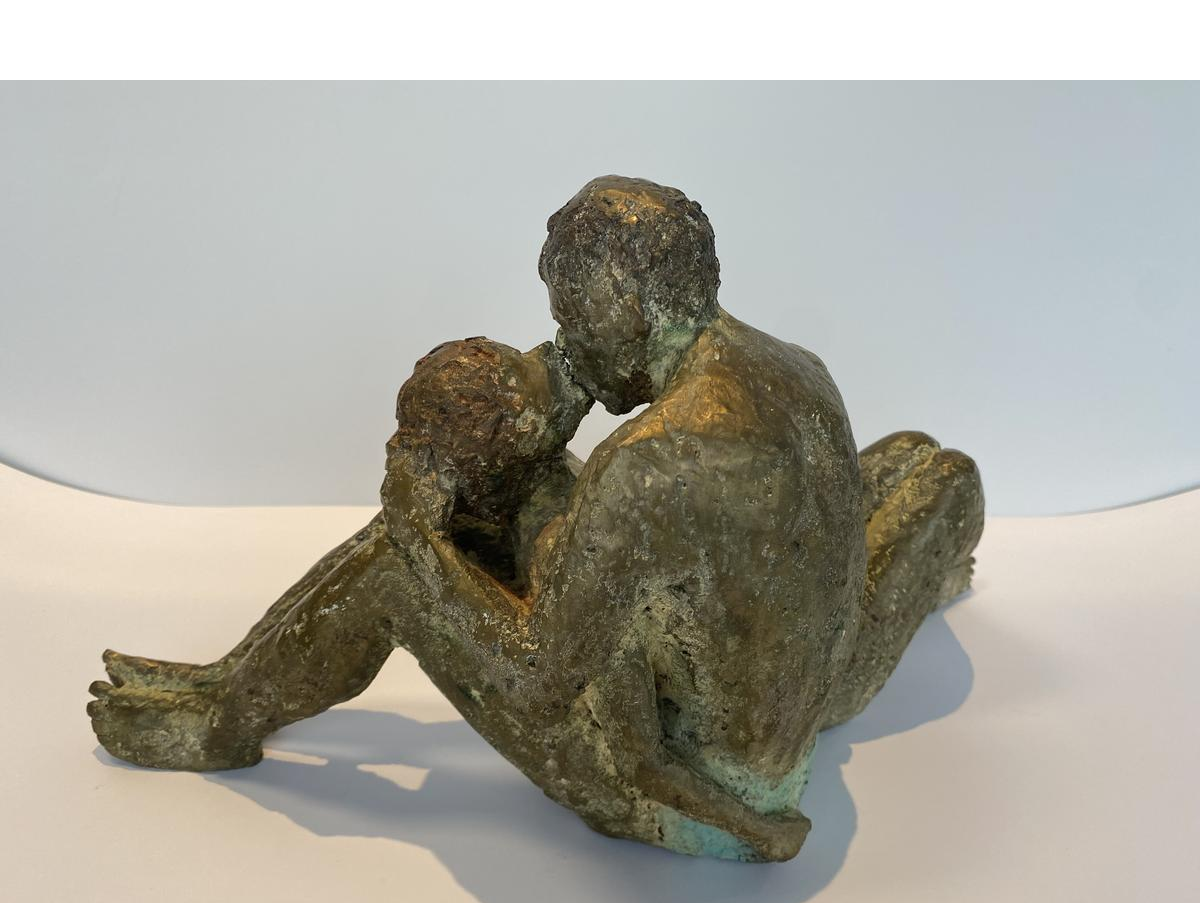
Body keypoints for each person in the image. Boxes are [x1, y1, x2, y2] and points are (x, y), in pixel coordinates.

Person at [89, 176, 983, 862]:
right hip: (821, 686)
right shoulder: (797, 369)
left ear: (624, 300)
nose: (564, 338)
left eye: (570, 312)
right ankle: (231, 677)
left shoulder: (650, 463)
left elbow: (540, 681)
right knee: (912, 458)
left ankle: (222, 722)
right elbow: (571, 417)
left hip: (703, 780)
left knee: (403, 568)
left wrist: (419, 538)